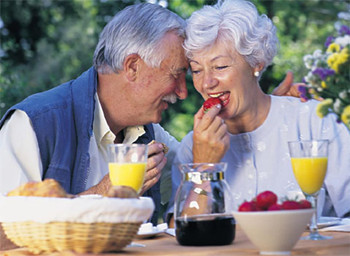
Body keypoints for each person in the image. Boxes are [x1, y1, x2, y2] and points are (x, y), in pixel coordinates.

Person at [0, 1, 303, 250]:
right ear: (132, 67)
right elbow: (4, 235)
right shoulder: (32, 124)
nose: (184, 92)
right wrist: (103, 193)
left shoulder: (152, 136)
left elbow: (189, 200)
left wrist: (267, 112)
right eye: (177, 73)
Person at [168, 0, 350, 224]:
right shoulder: (191, 149)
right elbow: (178, 235)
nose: (207, 83)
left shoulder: (314, 122)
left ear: (257, 62)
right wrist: (204, 169)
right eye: (197, 70)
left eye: (220, 66)